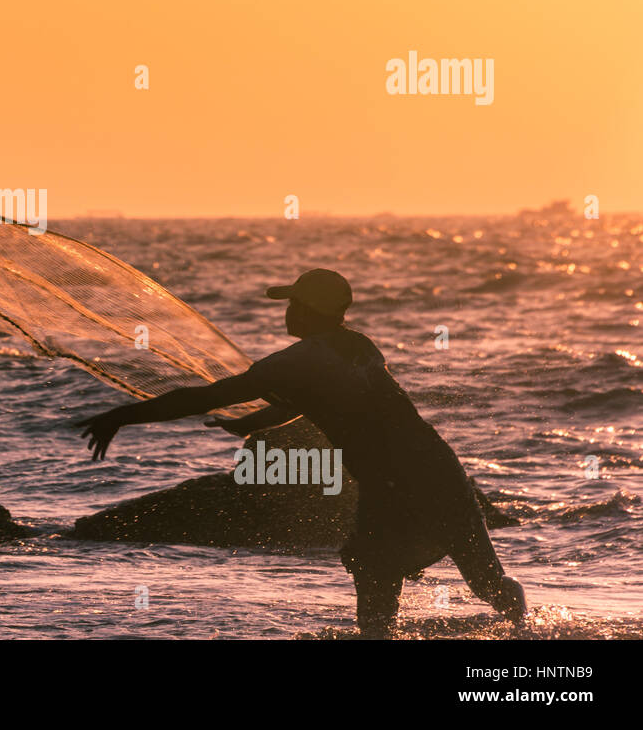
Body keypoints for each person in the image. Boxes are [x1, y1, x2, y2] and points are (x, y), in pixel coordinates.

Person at [78, 268, 525, 637]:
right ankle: (526, 630)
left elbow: (204, 397)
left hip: (399, 482)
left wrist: (121, 416)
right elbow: (306, 401)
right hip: (432, 467)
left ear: (309, 311)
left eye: (293, 304)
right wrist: (250, 424)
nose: (287, 311)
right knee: (474, 580)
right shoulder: (358, 345)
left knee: (381, 588)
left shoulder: (294, 362)